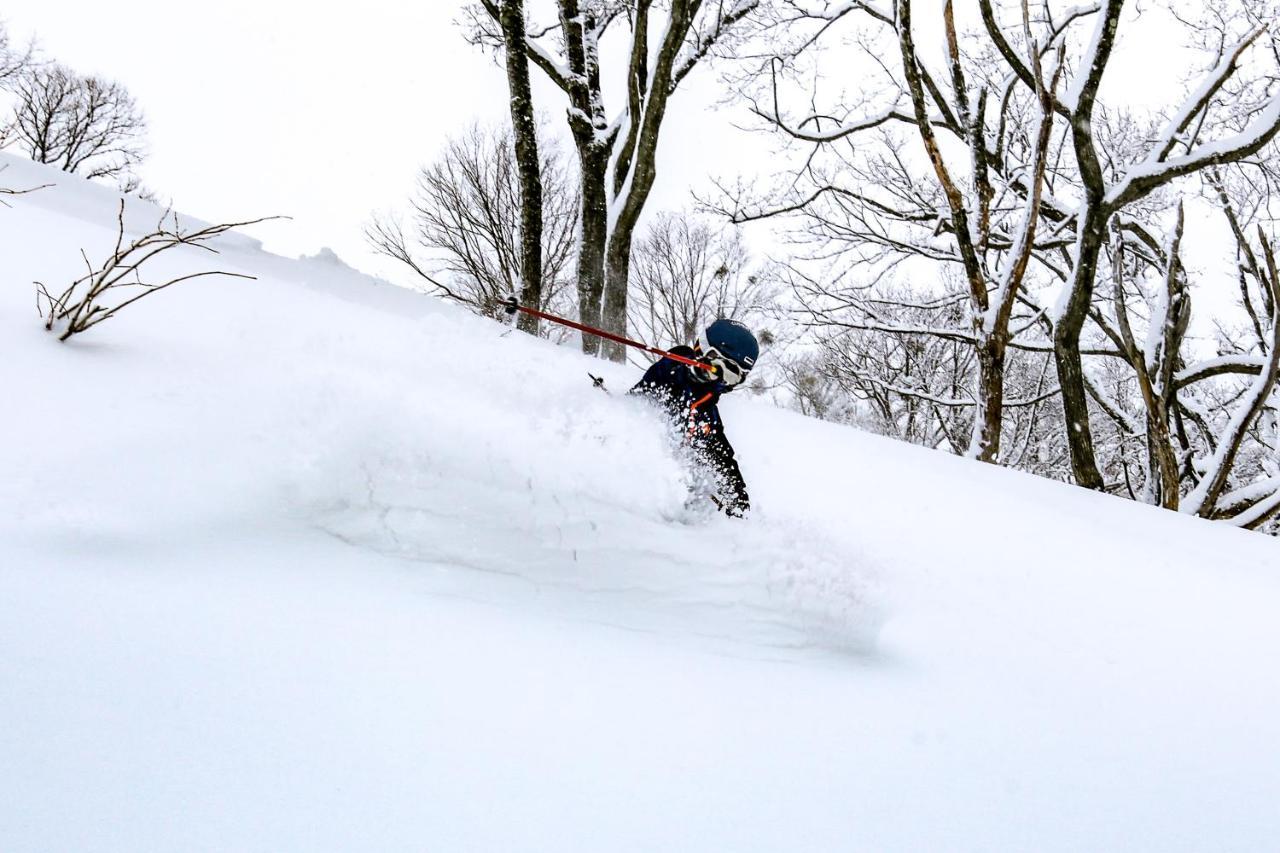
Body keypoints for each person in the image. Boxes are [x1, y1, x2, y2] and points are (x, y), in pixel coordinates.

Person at [629, 318, 759, 517]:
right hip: (633, 457)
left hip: (669, 489)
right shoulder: (673, 369)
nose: (725, 380)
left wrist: (737, 498)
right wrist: (689, 369)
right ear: (706, 353)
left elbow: (722, 457)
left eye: (735, 377)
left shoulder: (708, 410)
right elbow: (668, 368)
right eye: (724, 370)